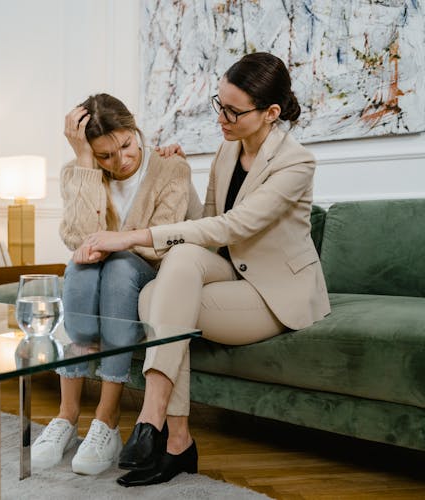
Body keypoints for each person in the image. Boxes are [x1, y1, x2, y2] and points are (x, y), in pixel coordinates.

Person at [76, 52, 331, 486]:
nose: (222, 117)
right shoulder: (227, 151)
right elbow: (207, 224)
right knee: (165, 279)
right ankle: (175, 439)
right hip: (231, 272)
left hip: (272, 293)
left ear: (271, 113)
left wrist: (133, 237)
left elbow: (237, 224)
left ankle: (156, 422)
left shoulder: (296, 162)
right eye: (219, 104)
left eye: (233, 110)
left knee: (157, 298)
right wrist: (182, 174)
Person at [31, 93, 195, 476]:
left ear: (136, 129)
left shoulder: (172, 167)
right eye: (105, 155)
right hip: (95, 279)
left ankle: (106, 419)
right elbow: (79, 239)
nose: (121, 160)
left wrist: (112, 242)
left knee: (119, 265)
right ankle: (67, 417)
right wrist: (86, 163)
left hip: (146, 276)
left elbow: (160, 243)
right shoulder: (78, 170)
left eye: (126, 144)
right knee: (78, 268)